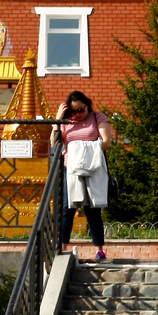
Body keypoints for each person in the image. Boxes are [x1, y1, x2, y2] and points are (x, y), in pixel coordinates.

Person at [50, 91, 115, 260]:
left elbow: (106, 142)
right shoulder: (65, 122)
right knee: (67, 208)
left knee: (93, 209)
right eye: (73, 111)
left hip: (93, 169)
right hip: (70, 169)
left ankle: (99, 249)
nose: (78, 114)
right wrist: (58, 119)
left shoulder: (97, 118)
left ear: (87, 105)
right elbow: (54, 142)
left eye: (81, 110)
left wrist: (82, 153)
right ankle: (63, 246)